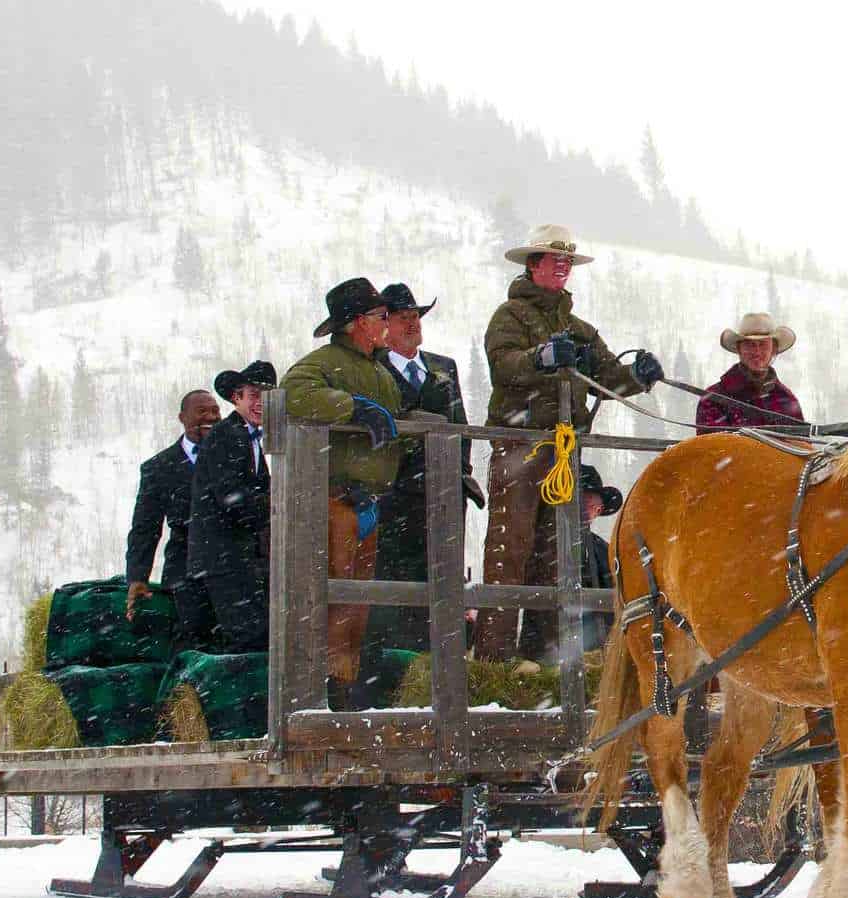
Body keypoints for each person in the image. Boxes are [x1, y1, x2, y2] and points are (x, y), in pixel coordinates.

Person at [473, 224, 664, 663]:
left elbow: (609, 378)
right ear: (533, 265)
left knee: (556, 556)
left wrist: (639, 376)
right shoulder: (510, 317)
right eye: (554, 260)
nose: (563, 267)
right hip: (520, 445)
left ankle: (543, 662)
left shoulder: (578, 329)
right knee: (510, 552)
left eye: (567, 262)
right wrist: (540, 359)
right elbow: (504, 366)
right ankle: (493, 661)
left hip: (562, 453)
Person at [281, 278, 407, 709]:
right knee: (335, 600)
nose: (387, 323)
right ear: (358, 323)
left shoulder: (380, 370)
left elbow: (398, 419)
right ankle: (327, 692)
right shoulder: (323, 363)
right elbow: (294, 393)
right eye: (380, 317)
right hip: (338, 501)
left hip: (369, 501)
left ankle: (347, 687)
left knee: (358, 603)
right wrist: (352, 407)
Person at [362, 282, 485, 663]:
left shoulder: (442, 367)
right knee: (395, 583)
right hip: (394, 496)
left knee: (442, 578)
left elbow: (461, 427)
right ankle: (397, 665)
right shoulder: (373, 368)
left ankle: (439, 662)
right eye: (403, 318)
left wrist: (458, 473)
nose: (412, 324)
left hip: (445, 494)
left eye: (415, 316)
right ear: (386, 325)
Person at [186, 361, 276, 653]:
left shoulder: (248, 438)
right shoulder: (227, 437)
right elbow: (233, 500)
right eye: (254, 394)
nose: (261, 402)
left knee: (255, 635)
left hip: (238, 558)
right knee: (248, 638)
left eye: (267, 395)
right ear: (236, 397)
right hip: (225, 559)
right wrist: (278, 507)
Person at [125, 389, 222, 646]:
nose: (211, 417)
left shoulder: (236, 457)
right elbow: (145, 528)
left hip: (230, 570)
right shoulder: (159, 468)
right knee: (188, 644)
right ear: (182, 417)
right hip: (185, 573)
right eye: (202, 411)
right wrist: (137, 577)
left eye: (215, 411)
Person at [696, 312, 805, 433]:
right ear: (739, 349)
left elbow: (802, 449)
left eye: (763, 345)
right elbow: (710, 449)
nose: (757, 352)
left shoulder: (786, 400)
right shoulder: (714, 398)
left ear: (773, 349)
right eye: (749, 344)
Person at [576, 464, 623, 653]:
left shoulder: (603, 548)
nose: (592, 509)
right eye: (587, 499)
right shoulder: (546, 539)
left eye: (597, 506)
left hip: (596, 642)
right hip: (559, 639)